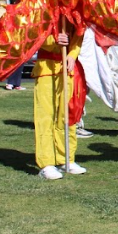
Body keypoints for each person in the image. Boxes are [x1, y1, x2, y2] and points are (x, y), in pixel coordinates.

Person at [32, 26, 85, 179]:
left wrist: (73, 54)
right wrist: (53, 40)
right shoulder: (41, 12)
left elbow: (79, 34)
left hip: (66, 69)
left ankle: (66, 159)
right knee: (45, 116)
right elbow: (34, 36)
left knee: (66, 115)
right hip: (46, 68)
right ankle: (46, 163)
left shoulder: (75, 14)